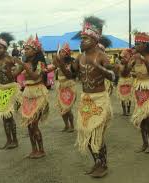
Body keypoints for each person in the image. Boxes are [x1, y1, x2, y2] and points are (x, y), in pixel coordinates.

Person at [57, 16, 115, 178]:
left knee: (97, 133)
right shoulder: (80, 57)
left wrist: (99, 67)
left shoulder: (102, 56)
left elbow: (113, 76)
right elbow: (71, 75)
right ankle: (97, 162)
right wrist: (61, 65)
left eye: (85, 38)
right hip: (86, 100)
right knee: (86, 133)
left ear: (95, 39)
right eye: (81, 38)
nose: (81, 41)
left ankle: (103, 165)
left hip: (100, 99)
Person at [16, 35, 49, 159]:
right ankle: (34, 149)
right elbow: (13, 74)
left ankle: (41, 150)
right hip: (27, 94)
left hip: (39, 94)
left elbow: (35, 76)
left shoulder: (40, 63)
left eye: (28, 49)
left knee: (34, 124)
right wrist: (4, 69)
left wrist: (23, 66)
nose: (25, 51)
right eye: (24, 49)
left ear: (35, 50)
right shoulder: (25, 63)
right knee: (29, 124)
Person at [52, 43, 76, 132]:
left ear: (66, 54)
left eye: (62, 52)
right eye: (60, 52)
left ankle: (72, 126)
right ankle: (66, 125)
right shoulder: (58, 63)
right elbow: (53, 65)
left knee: (67, 108)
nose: (60, 53)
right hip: (61, 87)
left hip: (69, 87)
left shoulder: (71, 63)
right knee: (61, 108)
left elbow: (72, 75)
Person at [116, 49, 134, 116]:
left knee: (129, 97)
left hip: (129, 81)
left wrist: (126, 65)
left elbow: (126, 72)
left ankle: (128, 110)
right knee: (122, 97)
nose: (122, 59)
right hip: (122, 81)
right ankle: (124, 111)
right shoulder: (119, 65)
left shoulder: (129, 65)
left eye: (124, 58)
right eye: (121, 58)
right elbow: (121, 73)